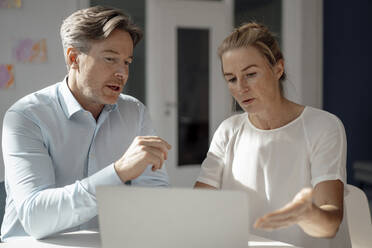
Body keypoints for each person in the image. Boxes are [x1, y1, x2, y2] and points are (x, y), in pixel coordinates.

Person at [1, 6, 171, 241]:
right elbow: (35, 218)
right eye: (110, 59)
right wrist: (118, 172)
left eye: (127, 62)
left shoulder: (135, 112)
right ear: (74, 58)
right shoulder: (25, 117)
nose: (122, 73)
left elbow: (155, 196)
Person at [194, 22, 351, 248]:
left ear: (278, 69)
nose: (241, 88)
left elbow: (330, 225)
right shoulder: (228, 130)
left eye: (250, 74)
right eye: (231, 79)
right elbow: (199, 205)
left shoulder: (323, 126)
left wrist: (308, 214)